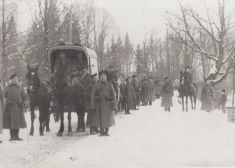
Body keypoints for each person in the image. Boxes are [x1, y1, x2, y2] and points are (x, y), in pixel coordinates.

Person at [3, 73, 29, 141]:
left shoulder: (20, 88)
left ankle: (17, 136)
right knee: (11, 122)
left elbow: (26, 97)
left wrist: (25, 103)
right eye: (13, 79)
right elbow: (2, 96)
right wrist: (6, 101)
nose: (15, 80)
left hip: (18, 107)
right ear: (11, 80)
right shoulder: (7, 88)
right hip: (10, 108)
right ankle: (12, 136)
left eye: (16, 78)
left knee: (18, 122)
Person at [90, 70, 117, 136]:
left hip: (107, 104)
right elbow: (92, 95)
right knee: (100, 118)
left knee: (108, 118)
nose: (103, 77)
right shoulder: (96, 85)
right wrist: (93, 104)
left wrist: (114, 105)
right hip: (99, 104)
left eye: (104, 76)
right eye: (101, 76)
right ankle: (101, 132)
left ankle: (106, 131)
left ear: (106, 77)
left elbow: (114, 95)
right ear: (99, 77)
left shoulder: (110, 84)